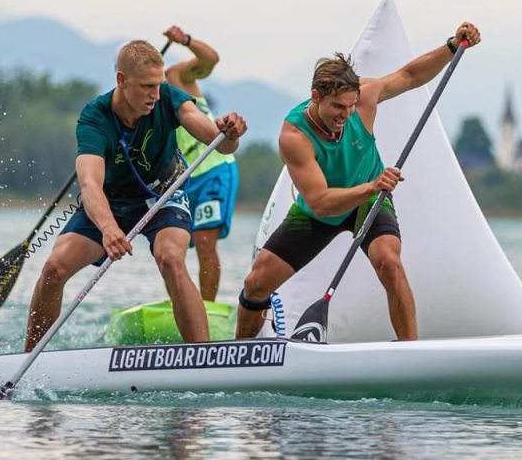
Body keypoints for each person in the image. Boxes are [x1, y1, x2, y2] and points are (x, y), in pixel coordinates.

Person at [235, 23, 483, 341]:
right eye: (337, 107)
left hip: (369, 203)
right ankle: (241, 352)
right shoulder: (294, 136)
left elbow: (410, 76)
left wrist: (451, 46)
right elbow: (321, 202)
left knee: (389, 262)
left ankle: (411, 351)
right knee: (256, 284)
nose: (346, 114)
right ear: (315, 97)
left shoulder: (364, 97)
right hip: (321, 211)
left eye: (351, 106)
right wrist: (372, 186)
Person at [26, 40, 247, 351]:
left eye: (158, 85)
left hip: (164, 195)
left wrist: (229, 133)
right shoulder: (94, 118)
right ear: (122, 80)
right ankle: (27, 361)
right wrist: (108, 228)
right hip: (110, 203)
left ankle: (202, 357)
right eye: (146, 87)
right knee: (54, 268)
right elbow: (89, 185)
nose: (155, 95)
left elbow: (220, 144)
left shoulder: (169, 97)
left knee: (171, 259)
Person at [161, 25, 240, 302]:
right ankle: (181, 308)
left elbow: (210, 60)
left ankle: (207, 309)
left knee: (206, 243)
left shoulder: (176, 75)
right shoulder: (135, 102)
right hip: (183, 180)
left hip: (215, 168)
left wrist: (187, 41)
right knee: (169, 250)